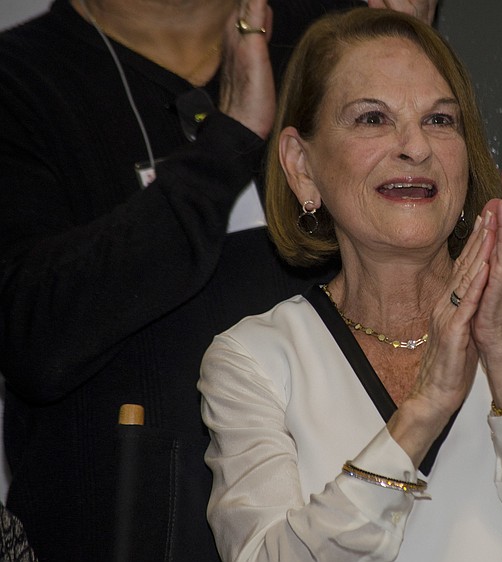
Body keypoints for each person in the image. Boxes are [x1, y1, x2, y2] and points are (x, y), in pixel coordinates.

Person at [199, 9, 502, 562]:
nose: (416, 147)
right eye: (371, 119)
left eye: (439, 121)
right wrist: (422, 412)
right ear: (302, 166)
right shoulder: (255, 360)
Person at [0, 0, 436, 560]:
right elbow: (35, 337)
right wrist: (223, 148)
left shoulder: (334, 43)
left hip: (354, 528)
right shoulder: (22, 79)